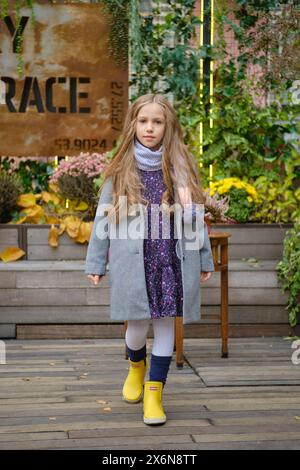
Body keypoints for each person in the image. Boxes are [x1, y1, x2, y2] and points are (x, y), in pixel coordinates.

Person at [85, 93, 215, 426]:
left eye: (157, 122)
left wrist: (204, 258)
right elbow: (103, 220)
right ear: (133, 124)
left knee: (167, 326)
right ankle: (135, 365)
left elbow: (194, 218)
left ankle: (155, 393)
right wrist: (96, 263)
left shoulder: (181, 168)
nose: (150, 128)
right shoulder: (121, 170)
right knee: (137, 329)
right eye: (143, 121)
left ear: (168, 127)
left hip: (171, 262)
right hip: (135, 263)